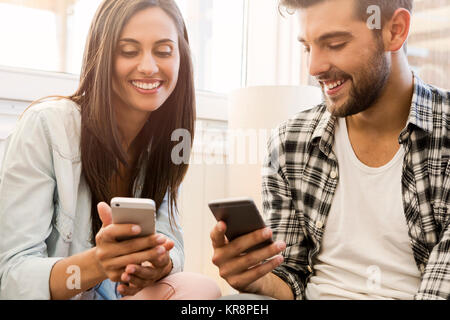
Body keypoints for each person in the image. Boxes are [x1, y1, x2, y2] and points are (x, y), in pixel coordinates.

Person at [210, 0, 449, 300]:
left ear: (395, 30)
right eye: (308, 47)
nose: (314, 68)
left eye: (334, 44)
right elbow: (290, 277)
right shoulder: (290, 142)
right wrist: (256, 280)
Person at [0, 0, 221, 300]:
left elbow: (172, 242)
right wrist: (99, 262)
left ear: (181, 57)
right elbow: (11, 279)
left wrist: (158, 263)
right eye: (129, 50)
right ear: (102, 55)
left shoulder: (164, 142)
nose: (148, 66)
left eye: (164, 51)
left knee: (202, 287)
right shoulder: (47, 126)